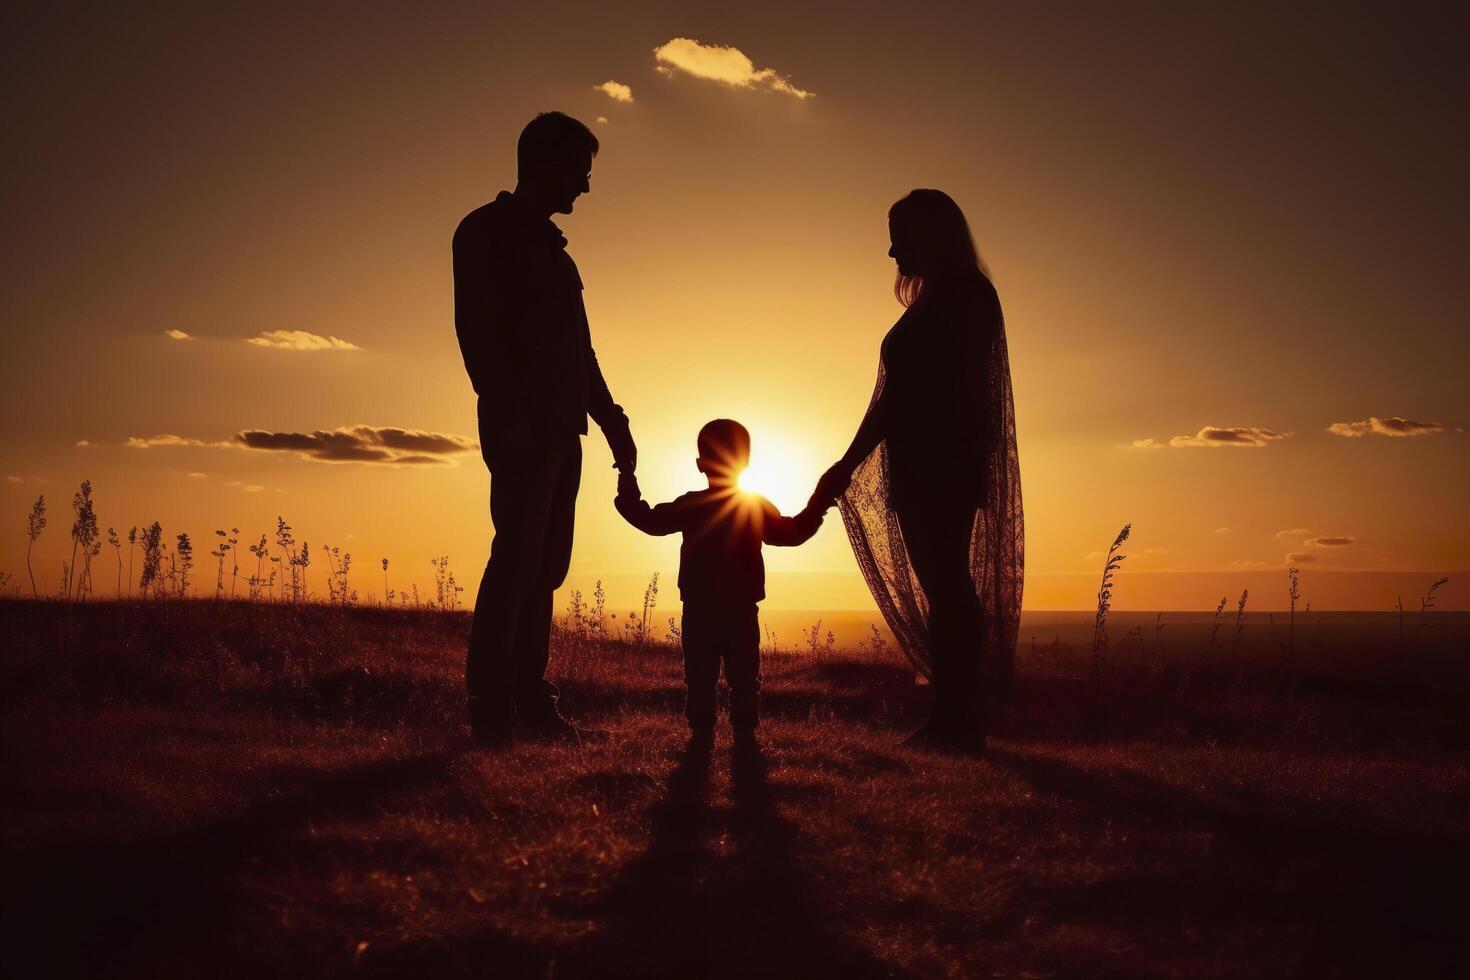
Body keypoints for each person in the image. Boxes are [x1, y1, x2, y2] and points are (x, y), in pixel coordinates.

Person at [814, 189, 1023, 754]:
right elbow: (892, 400)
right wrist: (846, 464)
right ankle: (951, 714)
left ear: (927, 235)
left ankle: (958, 716)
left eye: (898, 236)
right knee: (944, 585)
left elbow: (919, 397)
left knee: (949, 585)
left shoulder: (966, 297)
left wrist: (846, 463)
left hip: (943, 462)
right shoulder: (936, 301)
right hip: (922, 462)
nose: (889, 250)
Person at [453, 112, 636, 746]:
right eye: (579, 173)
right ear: (543, 165)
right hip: (523, 429)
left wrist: (612, 421)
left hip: (564, 431)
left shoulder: (558, 256)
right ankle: (492, 706)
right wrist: (511, 417)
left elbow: (580, 353)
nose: (584, 188)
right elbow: (479, 338)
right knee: (517, 560)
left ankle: (529, 699)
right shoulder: (484, 233)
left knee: (546, 568)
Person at [615, 419, 825, 746]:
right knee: (744, 678)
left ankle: (701, 738)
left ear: (700, 465)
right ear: (747, 462)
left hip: (699, 607)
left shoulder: (692, 504)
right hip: (741, 608)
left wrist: (627, 480)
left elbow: (647, 520)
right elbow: (792, 534)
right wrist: (819, 504)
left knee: (700, 677)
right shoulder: (753, 505)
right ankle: (744, 739)